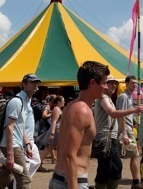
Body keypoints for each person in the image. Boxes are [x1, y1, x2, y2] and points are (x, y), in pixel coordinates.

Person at [49, 61, 110, 189]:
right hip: (71, 180)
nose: (106, 87)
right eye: (104, 82)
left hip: (63, 178)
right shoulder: (82, 110)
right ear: (93, 83)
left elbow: (61, 146)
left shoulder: (72, 106)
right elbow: (69, 155)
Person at [93, 75, 143, 189]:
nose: (114, 85)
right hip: (105, 137)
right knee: (108, 168)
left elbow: (118, 114)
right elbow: (113, 113)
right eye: (110, 83)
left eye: (115, 83)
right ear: (104, 85)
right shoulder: (104, 97)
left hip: (109, 137)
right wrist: (134, 110)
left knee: (112, 168)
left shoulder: (109, 98)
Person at [0, 73, 41, 189]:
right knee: (24, 179)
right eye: (32, 82)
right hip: (12, 145)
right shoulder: (17, 102)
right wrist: (10, 154)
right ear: (24, 84)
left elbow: (20, 127)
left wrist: (27, 143)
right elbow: (9, 127)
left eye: (36, 83)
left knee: (7, 176)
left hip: (16, 144)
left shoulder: (25, 101)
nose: (35, 85)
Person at [116, 75, 143, 189]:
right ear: (126, 83)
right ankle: (135, 183)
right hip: (125, 130)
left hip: (129, 128)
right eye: (132, 83)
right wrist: (124, 133)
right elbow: (121, 115)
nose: (135, 85)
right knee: (134, 155)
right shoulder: (124, 97)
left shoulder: (130, 96)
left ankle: (135, 181)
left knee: (133, 155)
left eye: (136, 83)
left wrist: (134, 120)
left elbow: (127, 113)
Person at [13, 96, 41, 189]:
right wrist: (26, 143)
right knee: (24, 168)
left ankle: (20, 183)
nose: (36, 87)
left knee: (36, 161)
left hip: (29, 139)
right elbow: (18, 124)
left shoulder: (27, 102)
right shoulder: (19, 101)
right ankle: (20, 185)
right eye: (33, 83)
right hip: (24, 140)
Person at [37, 95, 65, 172]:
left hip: (57, 130)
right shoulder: (57, 109)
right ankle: (38, 164)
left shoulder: (57, 109)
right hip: (56, 130)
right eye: (63, 101)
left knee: (51, 148)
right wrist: (52, 133)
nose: (64, 102)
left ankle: (39, 164)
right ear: (59, 102)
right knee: (50, 148)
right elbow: (54, 122)